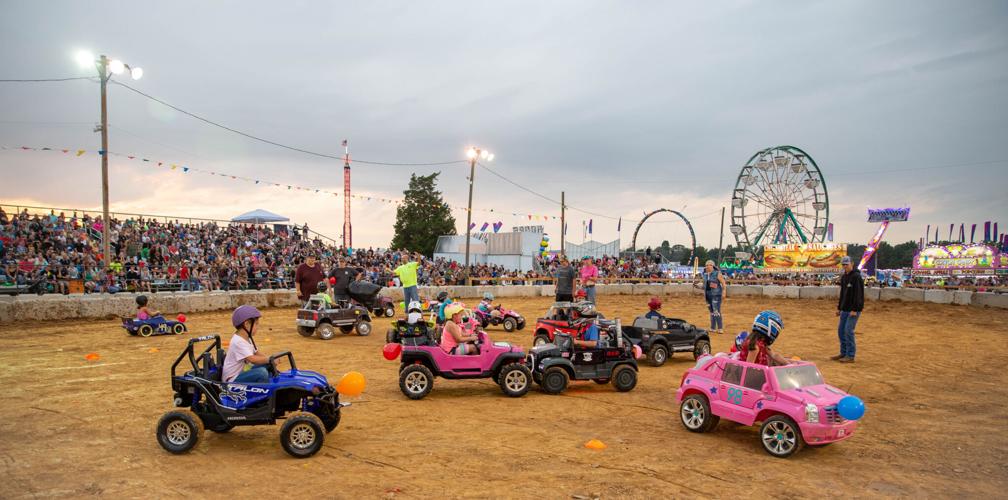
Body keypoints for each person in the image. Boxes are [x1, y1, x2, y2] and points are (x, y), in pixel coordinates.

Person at [222, 305, 273, 383]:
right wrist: (269, 359)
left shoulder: (247, 338)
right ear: (246, 324)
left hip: (242, 373)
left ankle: (270, 384)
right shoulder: (238, 341)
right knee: (261, 372)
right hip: (232, 379)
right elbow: (252, 359)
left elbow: (256, 353)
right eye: (256, 324)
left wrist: (271, 360)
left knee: (268, 365)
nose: (258, 327)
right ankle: (262, 393)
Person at [834, 256, 864, 363]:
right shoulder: (844, 277)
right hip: (845, 309)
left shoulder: (856, 277)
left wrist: (855, 309)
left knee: (848, 331)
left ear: (852, 264)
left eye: (846, 264)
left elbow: (859, 295)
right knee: (841, 331)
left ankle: (850, 355)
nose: (845, 266)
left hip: (853, 310)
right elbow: (843, 294)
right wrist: (839, 308)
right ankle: (843, 353)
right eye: (843, 264)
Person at [700, 260, 726, 334]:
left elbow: (723, 283)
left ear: (713, 266)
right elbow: (704, 286)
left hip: (716, 295)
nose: (707, 266)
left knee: (716, 311)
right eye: (706, 265)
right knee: (711, 311)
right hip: (707, 295)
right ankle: (713, 328)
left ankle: (720, 328)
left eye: (709, 265)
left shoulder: (717, 273)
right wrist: (699, 286)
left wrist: (724, 292)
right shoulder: (705, 274)